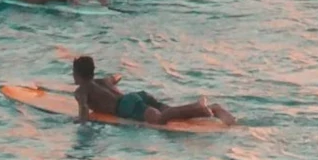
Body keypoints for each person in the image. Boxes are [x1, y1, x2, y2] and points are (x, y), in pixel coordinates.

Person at [72, 55, 235, 126]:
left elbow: (84, 110)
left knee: (159, 119)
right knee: (169, 111)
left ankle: (199, 107)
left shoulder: (82, 90)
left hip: (126, 106)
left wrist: (80, 123)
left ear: (77, 74)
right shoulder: (104, 81)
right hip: (136, 95)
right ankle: (213, 109)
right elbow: (117, 76)